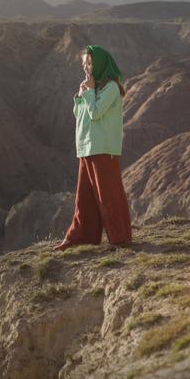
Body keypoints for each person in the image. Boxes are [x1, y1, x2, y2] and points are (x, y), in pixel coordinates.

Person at [54, 45, 134, 250]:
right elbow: (79, 115)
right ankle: (80, 237)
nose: (86, 67)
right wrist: (81, 94)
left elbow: (96, 113)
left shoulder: (111, 88)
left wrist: (89, 92)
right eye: (84, 64)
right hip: (86, 147)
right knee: (84, 197)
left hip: (103, 148)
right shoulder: (93, 87)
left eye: (90, 63)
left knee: (108, 195)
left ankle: (120, 238)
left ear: (100, 64)